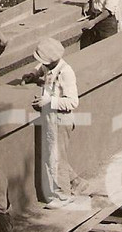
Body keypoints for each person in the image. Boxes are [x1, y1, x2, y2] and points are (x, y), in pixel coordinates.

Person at [21, 38, 79, 209]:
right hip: (50, 118)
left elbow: (72, 102)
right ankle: (76, 182)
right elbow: (40, 68)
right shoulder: (49, 66)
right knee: (54, 155)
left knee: (57, 158)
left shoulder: (66, 72)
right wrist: (33, 74)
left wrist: (49, 101)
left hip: (61, 119)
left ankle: (63, 195)